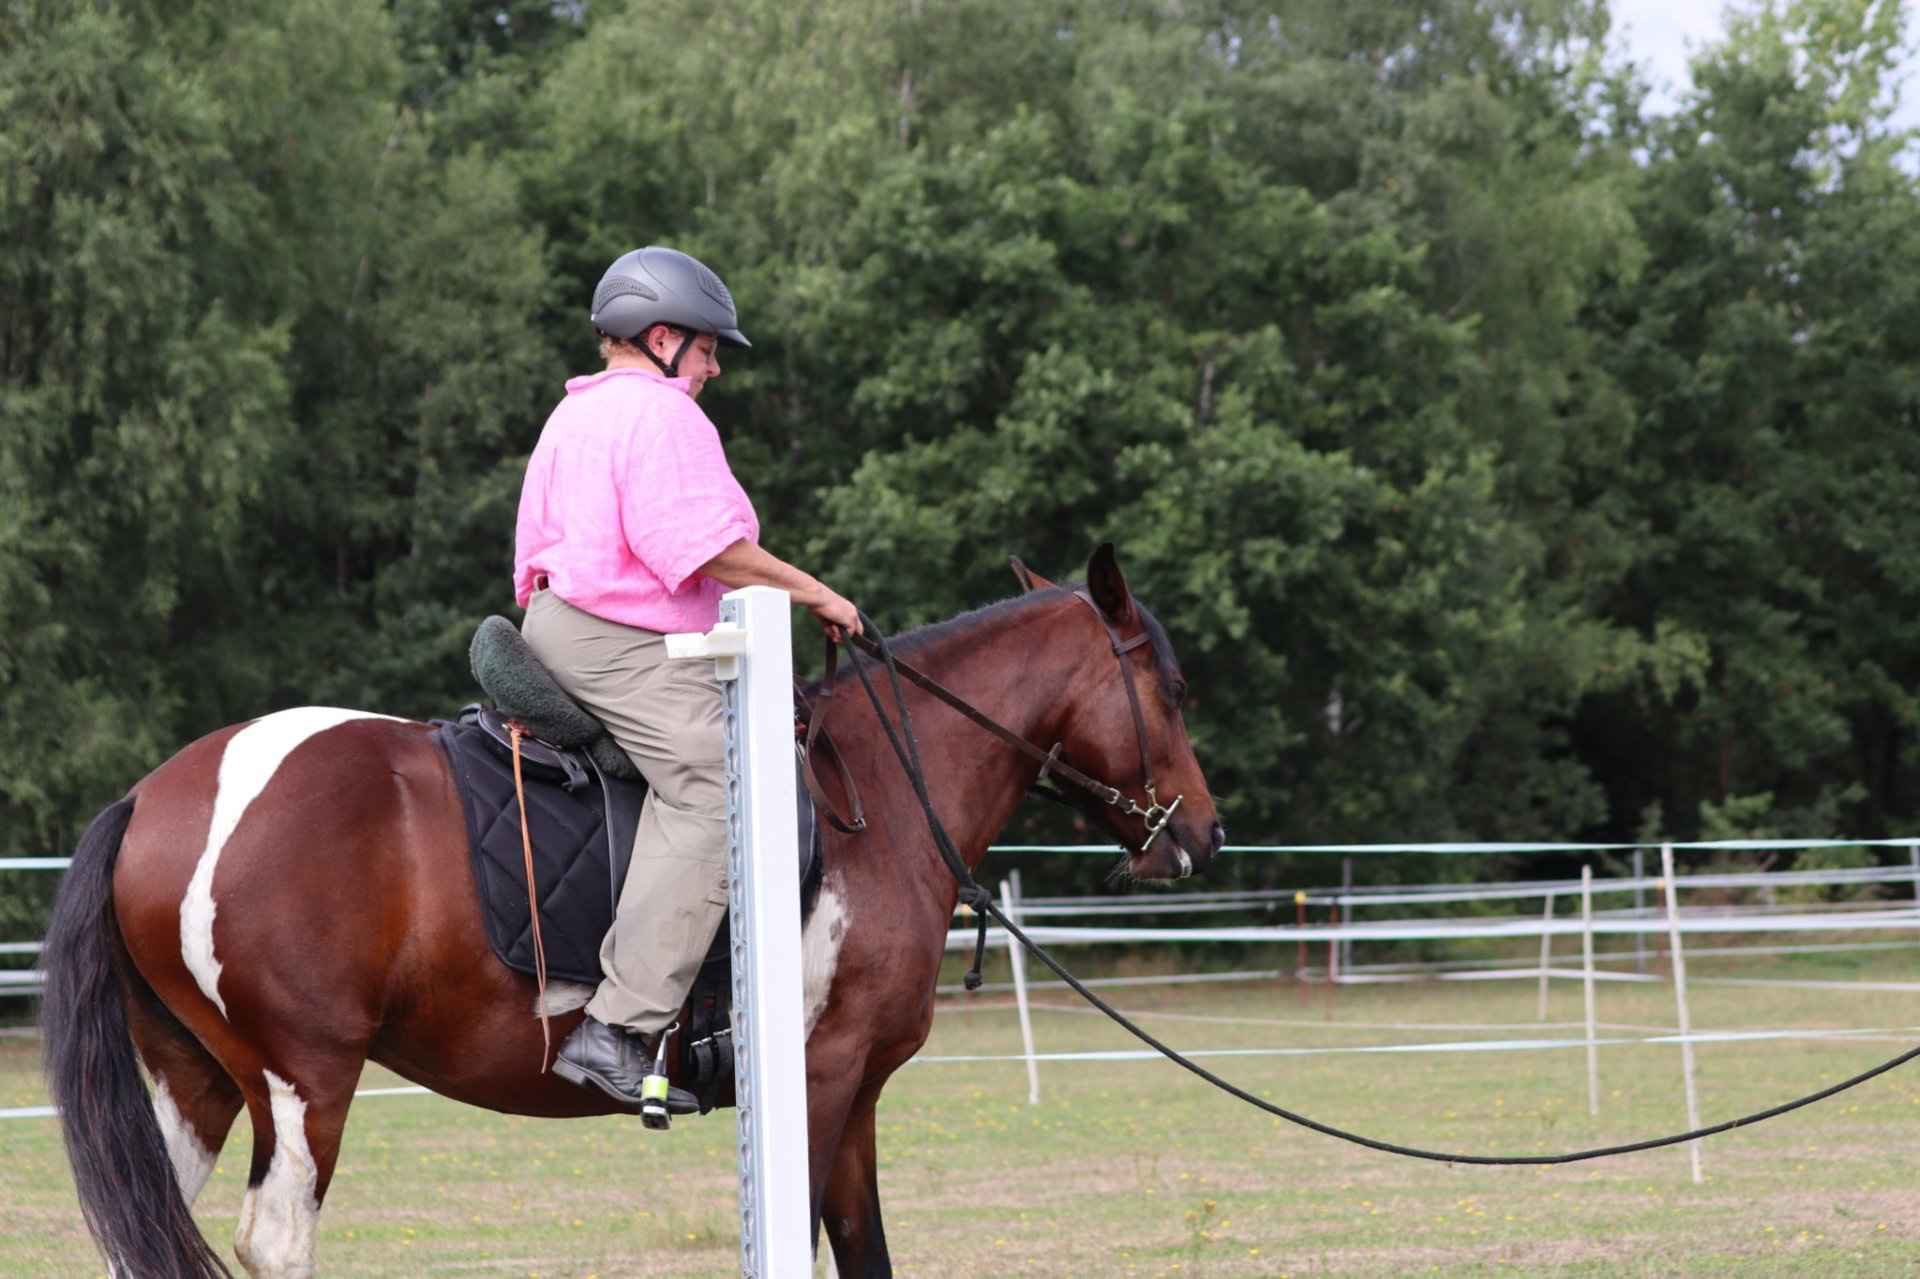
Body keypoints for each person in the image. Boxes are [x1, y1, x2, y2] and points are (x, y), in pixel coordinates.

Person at [513, 245, 860, 1108]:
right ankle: (621, 1027)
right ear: (661, 337)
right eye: (707, 349)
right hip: (612, 636)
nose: (710, 369)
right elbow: (703, 550)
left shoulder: (578, 412)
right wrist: (818, 593)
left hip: (569, 624)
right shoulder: (660, 415)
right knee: (722, 782)